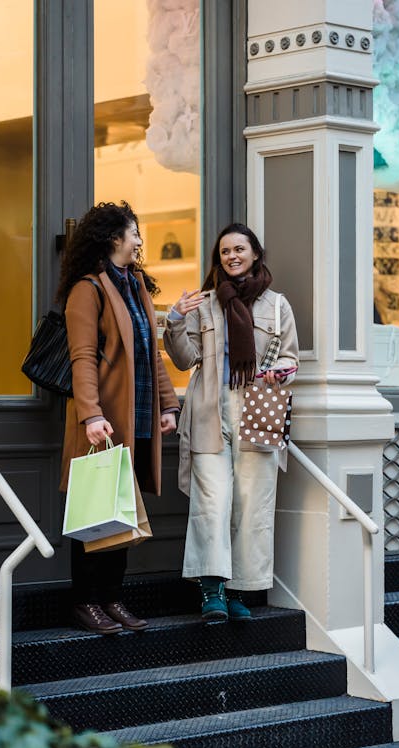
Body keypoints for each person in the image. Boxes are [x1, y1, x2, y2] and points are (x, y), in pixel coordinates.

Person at [163, 222, 299, 622]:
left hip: (257, 405)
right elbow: (185, 358)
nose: (232, 256)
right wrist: (173, 321)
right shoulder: (204, 303)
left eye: (239, 249)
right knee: (212, 501)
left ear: (255, 254)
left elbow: (290, 357)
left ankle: (239, 590)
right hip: (208, 408)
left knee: (251, 502)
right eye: (225, 251)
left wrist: (282, 373)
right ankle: (212, 591)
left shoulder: (276, 305)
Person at [56, 201, 179, 635]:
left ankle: (110, 598)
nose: (140, 241)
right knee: (95, 506)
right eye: (134, 233)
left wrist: (168, 404)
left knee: (122, 508)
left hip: (138, 415)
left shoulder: (137, 285)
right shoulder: (87, 289)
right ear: (114, 239)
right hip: (104, 418)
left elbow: (153, 351)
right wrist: (90, 415)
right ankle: (84, 601)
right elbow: (82, 357)